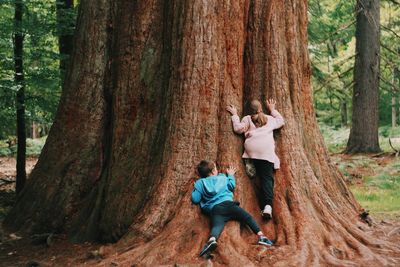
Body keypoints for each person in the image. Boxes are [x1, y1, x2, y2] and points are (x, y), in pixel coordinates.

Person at [192, 160, 273, 257]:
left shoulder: (200, 183)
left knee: (217, 226)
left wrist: (195, 189)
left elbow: (195, 199)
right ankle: (261, 237)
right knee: (247, 217)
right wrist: (230, 175)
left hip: (216, 209)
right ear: (214, 171)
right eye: (216, 168)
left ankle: (212, 240)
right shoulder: (221, 177)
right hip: (229, 205)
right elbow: (231, 186)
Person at [226, 99, 284, 219]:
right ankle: (267, 206)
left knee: (254, 159)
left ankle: (250, 163)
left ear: (248, 110)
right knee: (267, 179)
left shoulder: (247, 118)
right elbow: (281, 121)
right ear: (261, 108)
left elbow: (237, 129)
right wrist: (272, 110)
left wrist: (235, 115)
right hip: (265, 152)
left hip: (252, 150)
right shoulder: (269, 119)